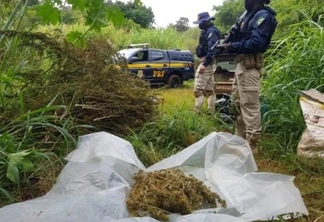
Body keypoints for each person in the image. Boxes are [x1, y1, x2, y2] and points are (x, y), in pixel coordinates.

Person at [217, 0, 277, 150]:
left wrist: (231, 46)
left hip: (250, 67)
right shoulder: (248, 17)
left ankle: (252, 145)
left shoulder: (264, 16)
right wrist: (228, 45)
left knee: (250, 106)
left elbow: (256, 43)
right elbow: (242, 39)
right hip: (241, 65)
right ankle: (240, 140)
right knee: (237, 104)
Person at [193, 12, 221, 114]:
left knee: (198, 90)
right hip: (208, 62)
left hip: (207, 62)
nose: (199, 25)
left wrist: (205, 64)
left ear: (206, 21)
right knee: (210, 90)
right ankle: (210, 113)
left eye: (200, 22)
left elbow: (212, 49)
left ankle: (196, 114)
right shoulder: (208, 31)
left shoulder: (211, 32)